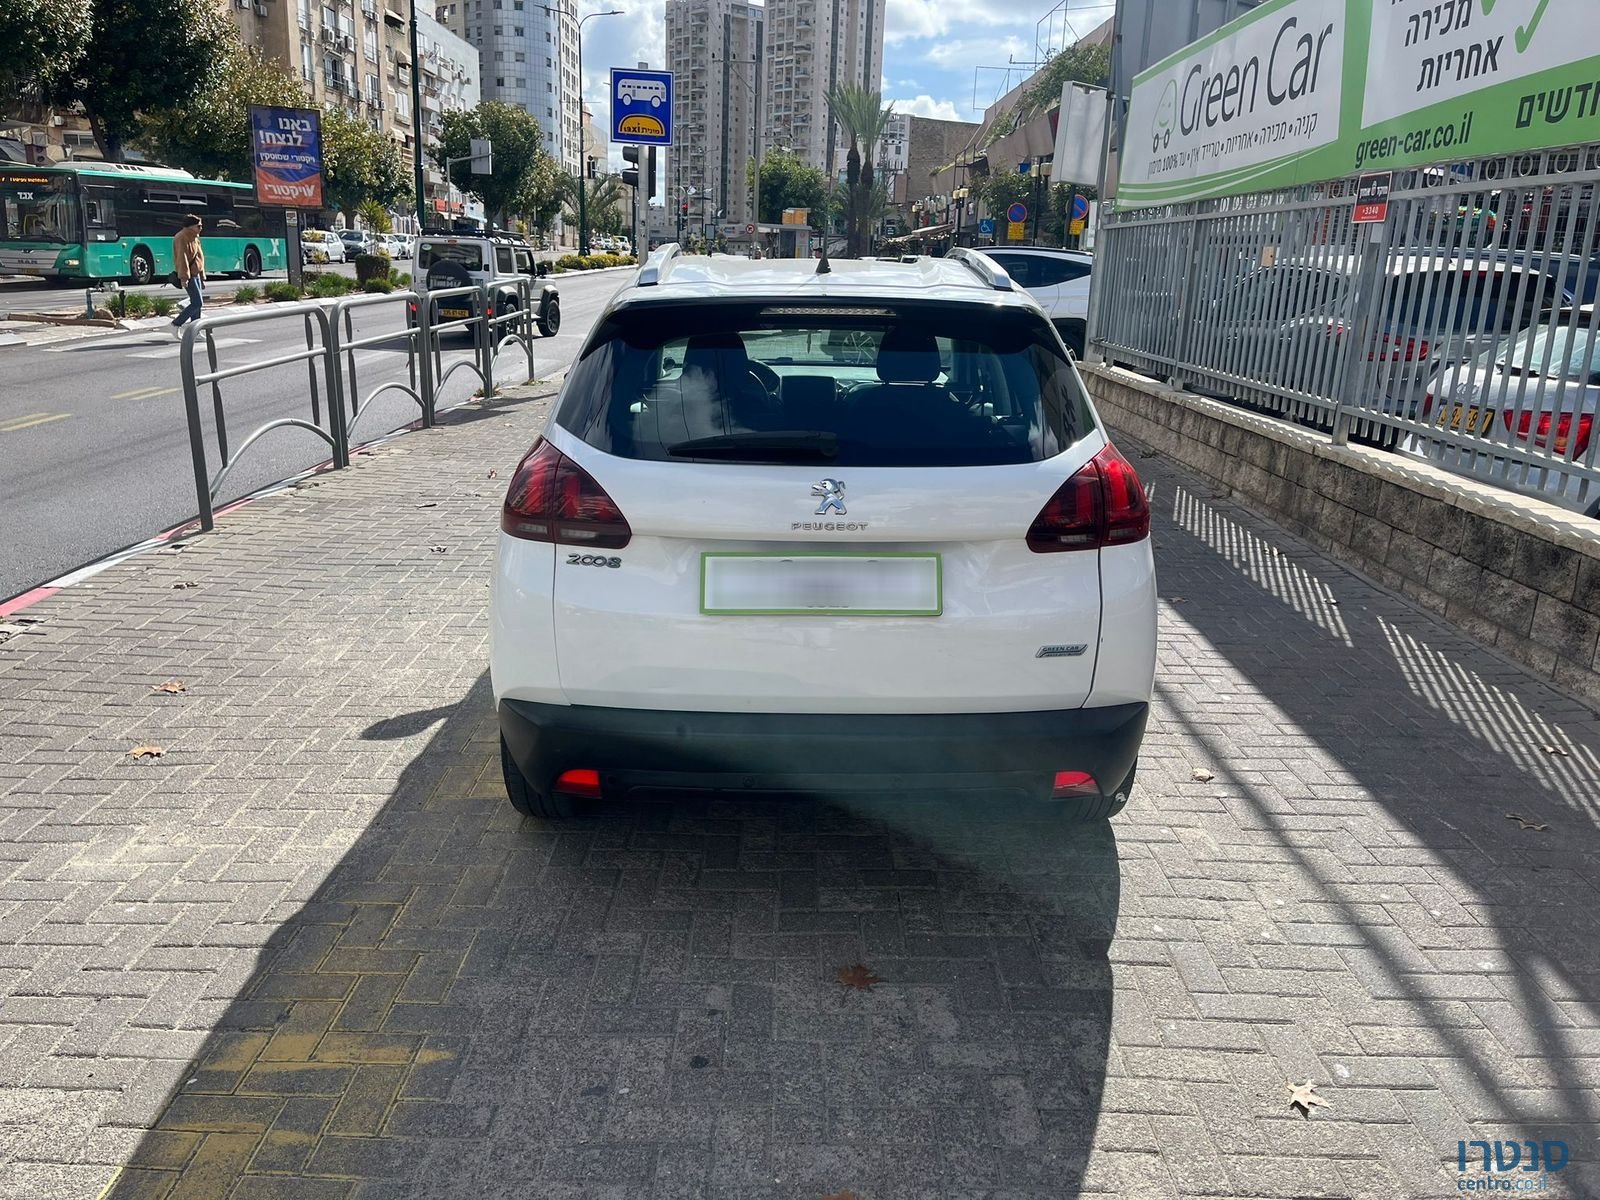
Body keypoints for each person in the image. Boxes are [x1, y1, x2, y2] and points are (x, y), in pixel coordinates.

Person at [171, 215, 206, 330]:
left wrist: (202, 276)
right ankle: (176, 324)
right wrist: (184, 277)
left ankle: (195, 329)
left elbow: (199, 258)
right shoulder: (181, 237)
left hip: (196, 275)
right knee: (197, 303)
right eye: (199, 226)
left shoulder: (195, 238)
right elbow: (182, 258)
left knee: (197, 304)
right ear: (190, 226)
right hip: (189, 275)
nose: (201, 228)